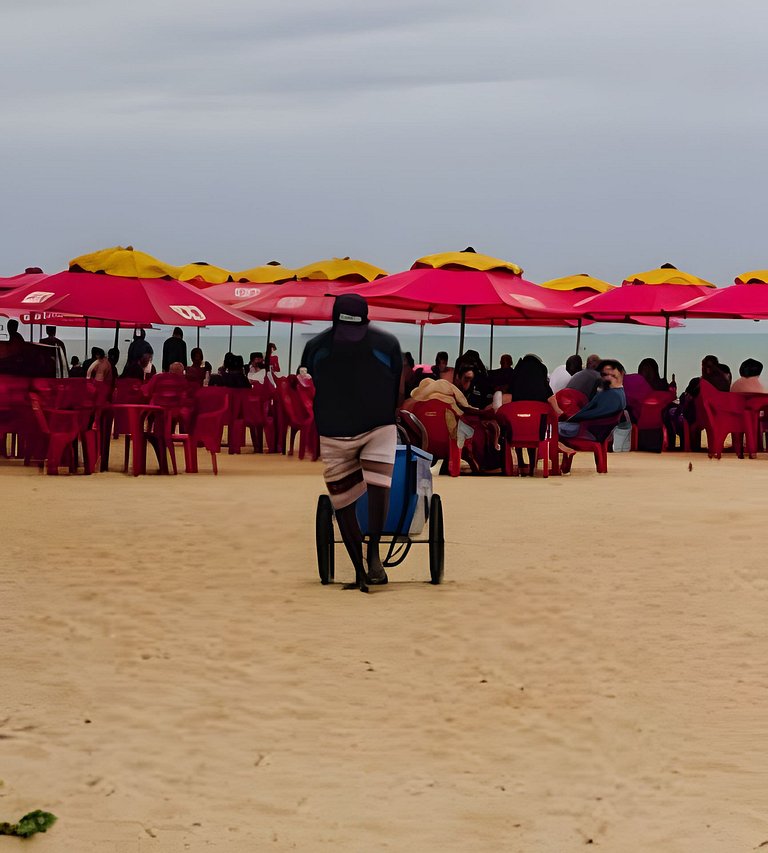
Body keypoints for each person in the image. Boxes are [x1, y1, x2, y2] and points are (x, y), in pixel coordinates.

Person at [301, 293, 401, 593]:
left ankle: (373, 554)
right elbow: (307, 389)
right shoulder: (315, 348)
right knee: (343, 502)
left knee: (379, 486)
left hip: (378, 427)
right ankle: (358, 569)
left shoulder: (386, 344)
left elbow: (398, 386)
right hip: (334, 432)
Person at [508, 354, 562, 475]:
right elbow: (550, 396)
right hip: (537, 421)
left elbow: (508, 395)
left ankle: (521, 462)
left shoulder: (516, 375)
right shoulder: (541, 380)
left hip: (517, 420)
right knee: (535, 434)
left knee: (518, 433)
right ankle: (532, 464)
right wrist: (558, 410)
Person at [560, 359, 627, 441]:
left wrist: (573, 418)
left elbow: (596, 413)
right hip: (591, 430)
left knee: (550, 429)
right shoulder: (615, 393)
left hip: (588, 431)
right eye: (604, 374)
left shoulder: (613, 395)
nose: (608, 377)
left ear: (621, 374)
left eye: (612, 375)